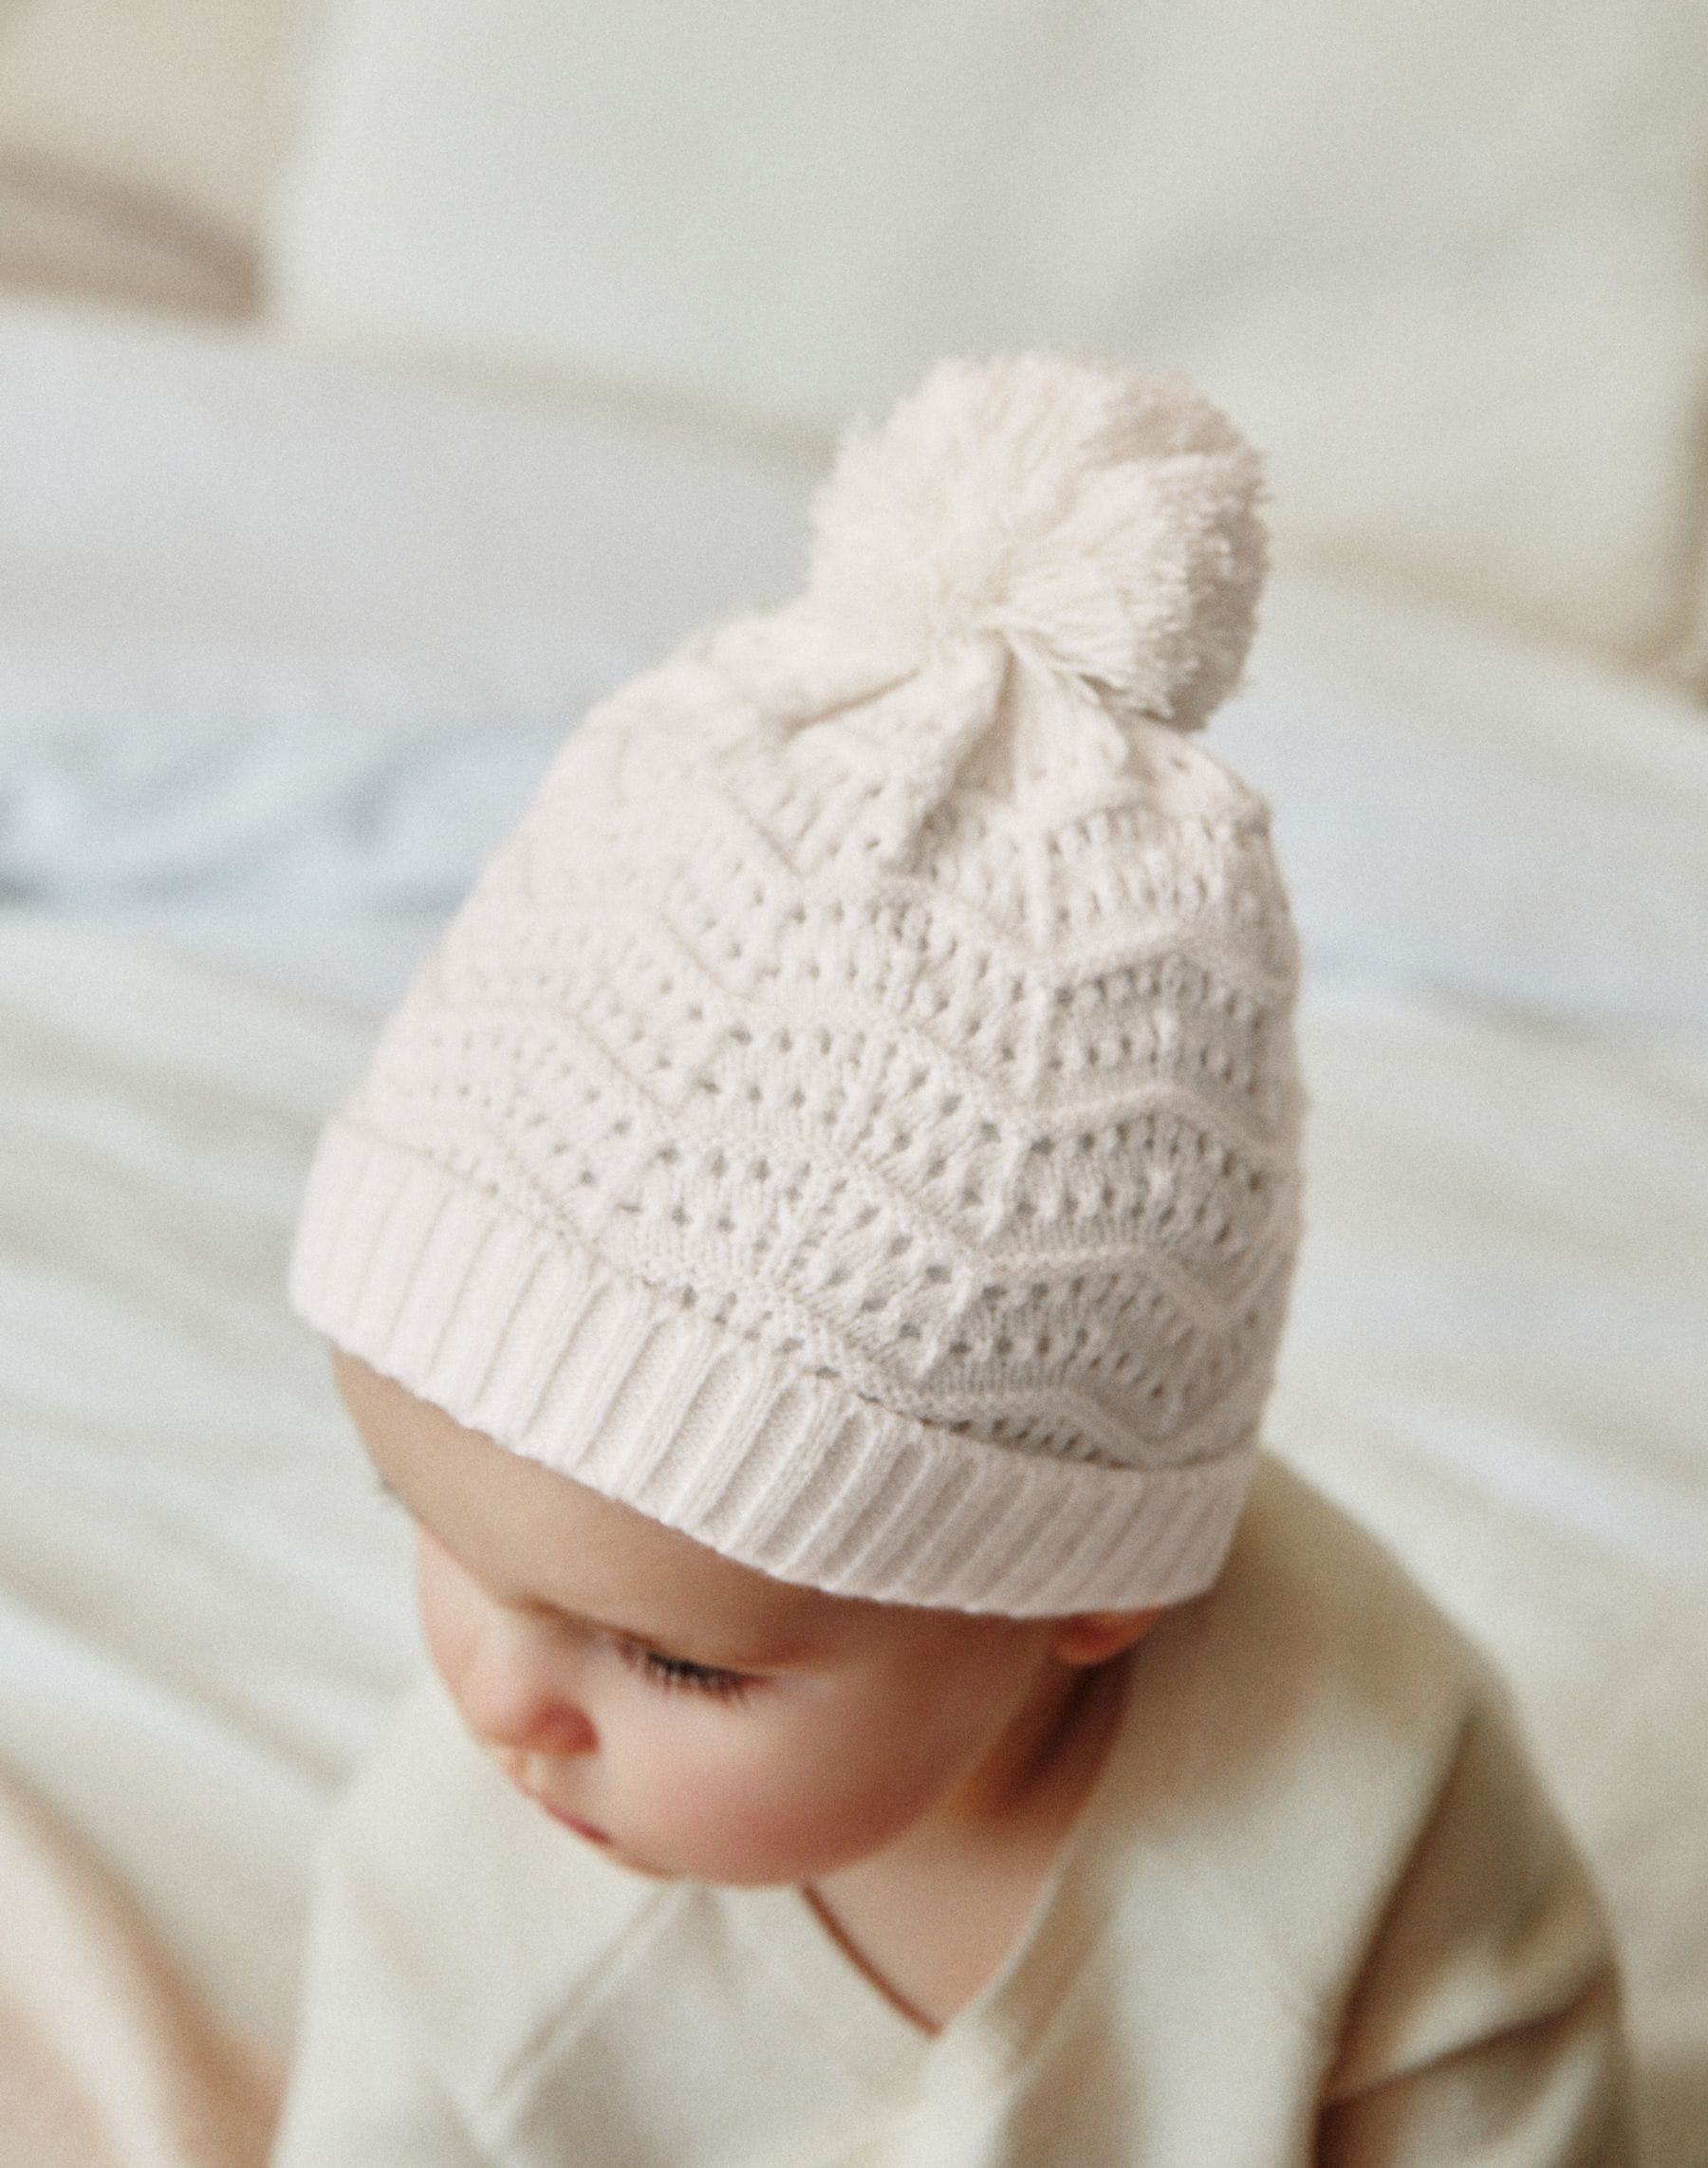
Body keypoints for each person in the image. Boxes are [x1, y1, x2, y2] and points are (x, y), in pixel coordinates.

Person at [271, 356, 1633, 2164]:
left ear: (1084, 1589)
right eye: (429, 1526)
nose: (496, 1704)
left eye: (676, 1665)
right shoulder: (462, 1882)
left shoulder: (1363, 1777)